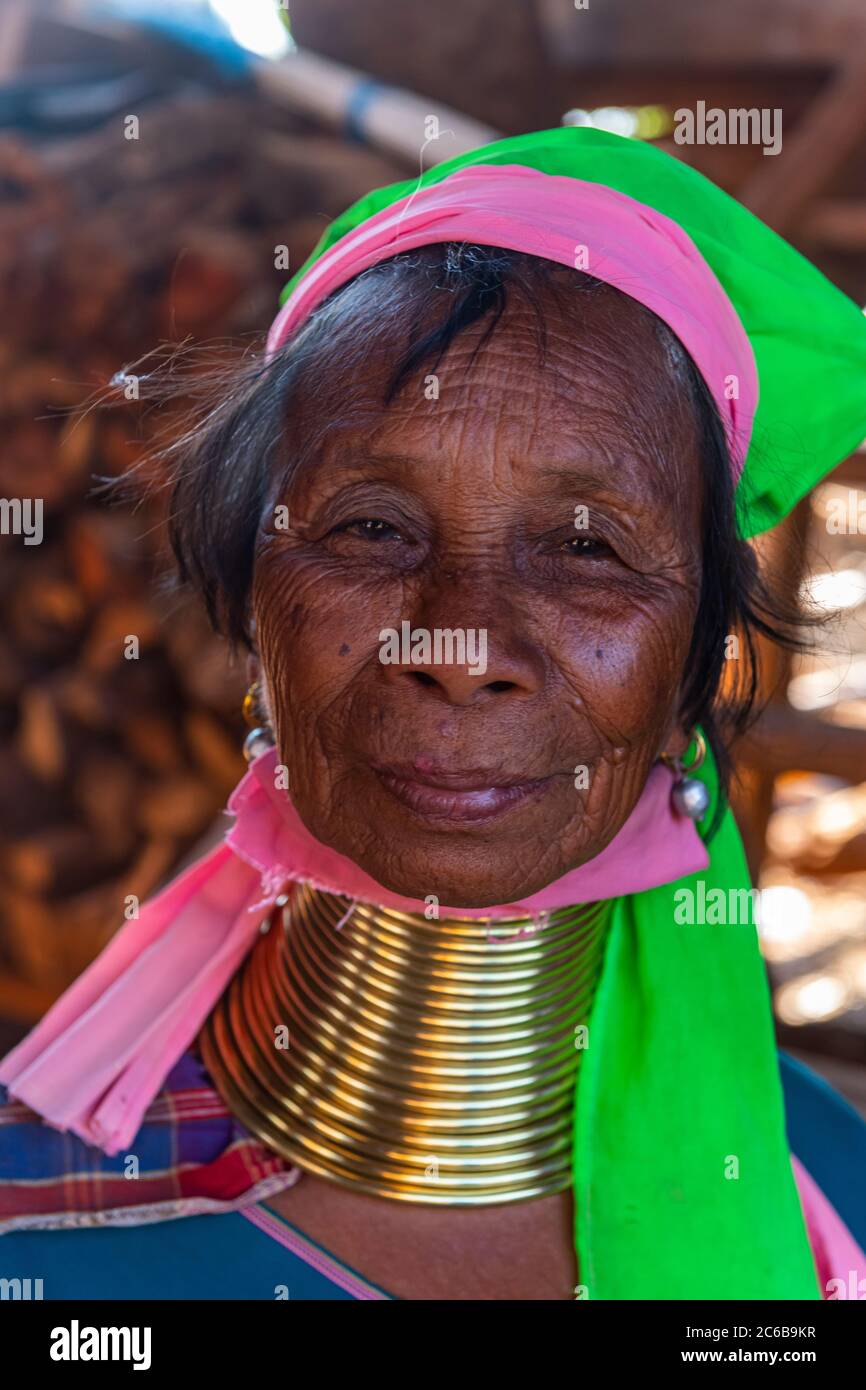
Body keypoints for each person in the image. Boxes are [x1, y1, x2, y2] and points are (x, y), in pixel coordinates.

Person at [2, 127, 866, 1301]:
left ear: (688, 671)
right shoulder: (38, 1226)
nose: (461, 648)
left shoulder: (828, 1186)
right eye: (370, 528)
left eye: (584, 547)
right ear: (257, 614)